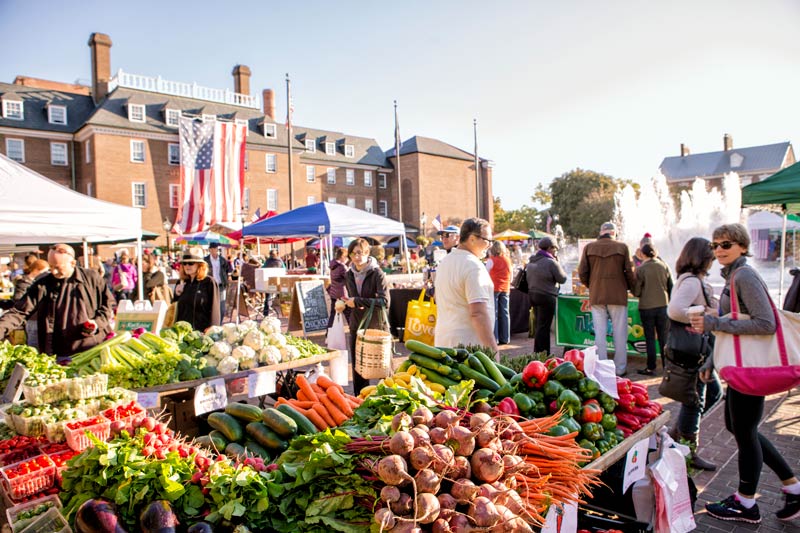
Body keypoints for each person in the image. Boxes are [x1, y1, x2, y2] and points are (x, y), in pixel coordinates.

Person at [692, 223, 800, 524]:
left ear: (742, 245)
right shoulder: (735, 276)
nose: (719, 250)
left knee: (744, 431)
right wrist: (711, 360)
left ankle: (746, 502)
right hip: (743, 367)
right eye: (715, 245)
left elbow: (766, 324)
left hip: (752, 368)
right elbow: (736, 320)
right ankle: (792, 486)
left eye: (726, 244)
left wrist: (716, 324)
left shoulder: (745, 276)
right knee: (740, 427)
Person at [0, 244, 114, 361]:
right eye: (51, 266)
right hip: (59, 352)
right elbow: (19, 311)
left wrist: (97, 323)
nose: (54, 271)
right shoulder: (43, 284)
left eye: (58, 267)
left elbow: (108, 304)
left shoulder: (91, 278)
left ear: (73, 263)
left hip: (92, 348)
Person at [666, 237, 721, 471]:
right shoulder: (692, 282)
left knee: (708, 394)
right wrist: (705, 312)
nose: (714, 259)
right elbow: (675, 310)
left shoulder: (690, 280)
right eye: (711, 255)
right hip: (693, 349)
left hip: (693, 348)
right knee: (695, 399)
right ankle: (687, 450)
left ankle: (676, 436)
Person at [578, 221, 636, 376]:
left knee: (600, 333)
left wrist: (592, 285)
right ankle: (620, 368)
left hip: (597, 295)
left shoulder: (589, 247)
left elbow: (582, 272)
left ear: (601, 231)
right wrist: (632, 288)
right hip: (618, 294)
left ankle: (602, 367)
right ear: (614, 233)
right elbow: (630, 272)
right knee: (620, 332)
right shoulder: (622, 247)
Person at [433, 218, 499, 354]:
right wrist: (493, 350)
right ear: (472, 238)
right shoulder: (473, 266)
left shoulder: (445, 262)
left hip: (444, 342)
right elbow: (478, 313)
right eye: (487, 240)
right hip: (468, 349)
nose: (490, 245)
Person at [343, 238, 390, 395]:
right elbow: (353, 299)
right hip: (357, 324)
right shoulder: (349, 274)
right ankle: (361, 400)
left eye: (359, 253)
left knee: (382, 367)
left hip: (377, 326)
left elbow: (384, 302)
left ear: (367, 253)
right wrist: (347, 304)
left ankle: (388, 398)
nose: (356, 257)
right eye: (352, 254)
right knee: (359, 366)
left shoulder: (377, 274)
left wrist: (357, 301)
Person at [632, 243, 673, 375]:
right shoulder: (664, 265)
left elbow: (637, 291)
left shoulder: (641, 269)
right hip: (663, 306)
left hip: (646, 307)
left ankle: (651, 367)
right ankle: (667, 366)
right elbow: (671, 286)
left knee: (649, 338)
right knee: (664, 337)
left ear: (642, 254)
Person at [526, 237, 567, 354]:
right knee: (544, 327)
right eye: (555, 249)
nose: (555, 251)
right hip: (546, 296)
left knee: (540, 325)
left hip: (533, 295)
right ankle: (543, 353)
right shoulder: (551, 262)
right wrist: (557, 263)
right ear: (550, 248)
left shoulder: (532, 260)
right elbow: (563, 279)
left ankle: (538, 352)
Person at [175, 247, 220, 332]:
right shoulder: (181, 282)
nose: (187, 266)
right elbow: (173, 310)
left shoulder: (209, 282)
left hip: (202, 333)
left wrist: (213, 331)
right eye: (184, 263)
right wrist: (177, 294)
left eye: (191, 263)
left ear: (199, 265)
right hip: (182, 333)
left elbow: (215, 309)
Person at [486, 241, 512, 345]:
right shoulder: (508, 260)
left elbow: (485, 273)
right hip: (505, 288)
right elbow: (511, 276)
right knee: (505, 313)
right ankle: (505, 338)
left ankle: (495, 338)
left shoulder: (491, 260)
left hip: (494, 288)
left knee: (494, 314)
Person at [205, 243, 231, 319]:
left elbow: (226, 270)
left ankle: (220, 323)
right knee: (211, 306)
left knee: (222, 307)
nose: (213, 250)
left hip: (220, 285)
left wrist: (225, 280)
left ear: (217, 249)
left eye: (215, 248)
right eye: (211, 249)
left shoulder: (222, 260)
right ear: (209, 250)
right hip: (209, 286)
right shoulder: (205, 260)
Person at [327, 247, 349, 328]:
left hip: (334, 293)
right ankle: (353, 333)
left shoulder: (333, 265)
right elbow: (349, 278)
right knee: (349, 315)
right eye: (347, 257)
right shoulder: (342, 267)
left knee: (333, 315)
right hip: (343, 294)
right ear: (343, 256)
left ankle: (328, 333)